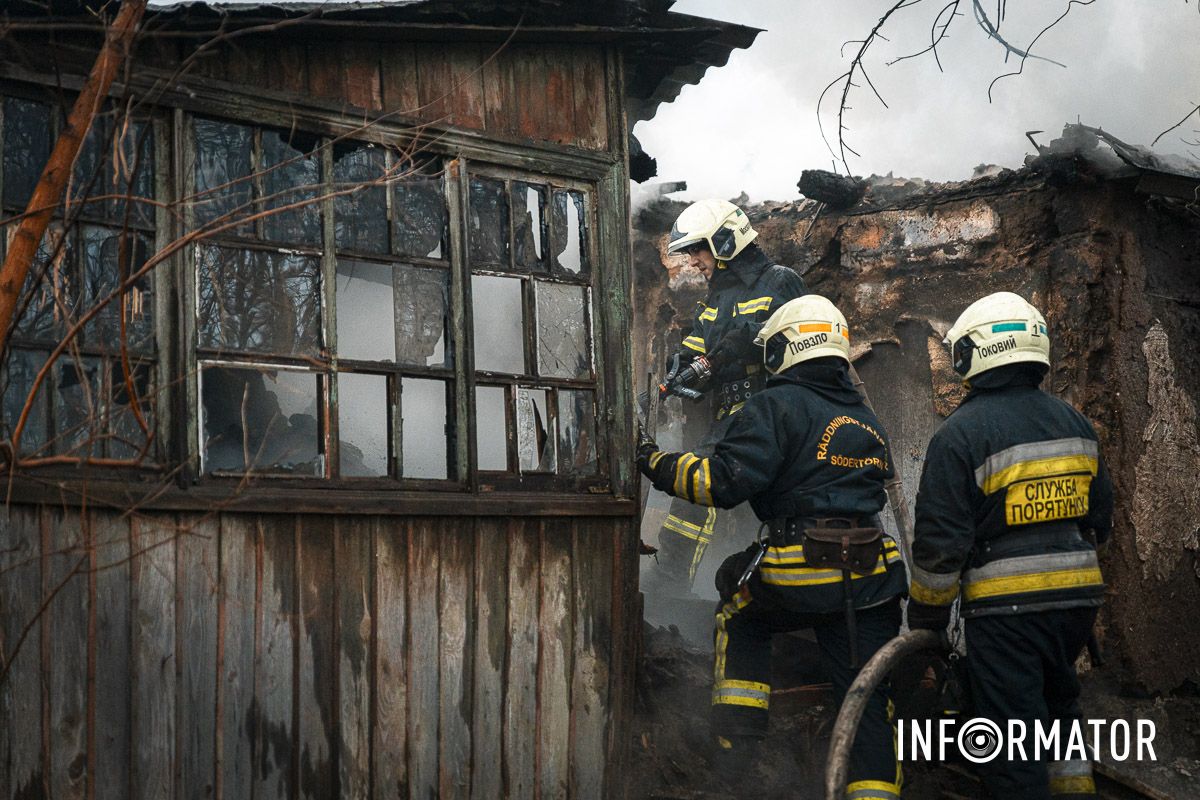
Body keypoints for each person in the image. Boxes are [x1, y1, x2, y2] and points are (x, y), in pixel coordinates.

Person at [638, 295, 907, 799]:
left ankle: (734, 757)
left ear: (786, 348)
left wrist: (653, 461)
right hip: (872, 574)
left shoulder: (773, 406)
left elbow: (722, 482)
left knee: (740, 610)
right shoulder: (864, 417)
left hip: (802, 566)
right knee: (867, 694)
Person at [907, 291, 1113, 800]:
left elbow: (940, 543)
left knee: (1009, 740)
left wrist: (927, 620)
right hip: (1077, 603)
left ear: (972, 355)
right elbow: (1100, 518)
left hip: (1007, 610)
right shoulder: (1074, 422)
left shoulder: (960, 434)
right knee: (1059, 712)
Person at [646, 198, 807, 596]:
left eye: (697, 250)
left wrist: (736, 347)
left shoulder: (779, 281)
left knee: (700, 476)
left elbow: (791, 335)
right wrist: (681, 364)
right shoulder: (718, 297)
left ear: (723, 242)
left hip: (770, 407)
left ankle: (670, 580)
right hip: (733, 413)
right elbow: (700, 343)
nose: (694, 262)